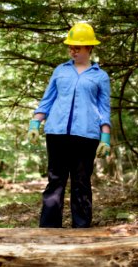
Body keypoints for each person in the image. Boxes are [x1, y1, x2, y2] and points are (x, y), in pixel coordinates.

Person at [28, 23, 111, 228]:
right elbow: (47, 99)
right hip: (57, 133)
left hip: (86, 136)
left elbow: (104, 108)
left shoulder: (100, 76)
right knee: (55, 181)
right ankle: (49, 230)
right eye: (71, 46)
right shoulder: (60, 70)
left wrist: (105, 138)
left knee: (81, 183)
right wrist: (34, 123)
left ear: (89, 48)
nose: (73, 50)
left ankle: (81, 230)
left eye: (78, 47)